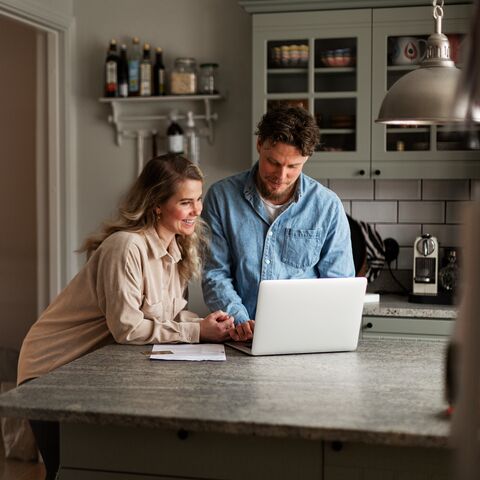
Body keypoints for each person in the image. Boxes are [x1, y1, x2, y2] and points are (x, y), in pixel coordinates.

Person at [17, 154, 233, 480]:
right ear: (157, 204)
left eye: (198, 199)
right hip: (51, 369)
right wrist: (196, 332)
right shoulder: (126, 247)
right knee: (65, 470)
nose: (197, 211)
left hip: (89, 371)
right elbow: (127, 328)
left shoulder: (176, 251)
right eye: (185, 202)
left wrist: (211, 324)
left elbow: (170, 313)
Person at [201, 105, 354, 341]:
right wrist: (241, 322)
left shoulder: (327, 206)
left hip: (306, 337)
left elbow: (339, 286)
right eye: (273, 162)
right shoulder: (221, 198)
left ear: (307, 158)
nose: (281, 176)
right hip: (239, 339)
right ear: (260, 144)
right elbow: (215, 273)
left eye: (293, 166)